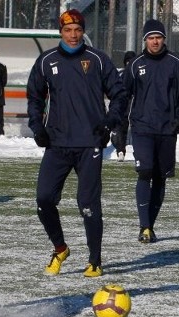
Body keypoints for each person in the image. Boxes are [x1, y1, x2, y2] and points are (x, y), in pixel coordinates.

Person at [27, 9, 127, 277]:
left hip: (89, 143)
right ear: (60, 31)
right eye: (68, 30)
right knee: (43, 200)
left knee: (88, 204)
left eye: (78, 30)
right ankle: (60, 248)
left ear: (84, 32)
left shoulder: (98, 60)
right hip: (57, 143)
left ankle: (94, 260)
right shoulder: (46, 61)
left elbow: (119, 94)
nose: (73, 35)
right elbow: (34, 98)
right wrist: (37, 127)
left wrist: (109, 122)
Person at [123, 19, 179, 243]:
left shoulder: (176, 63)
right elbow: (123, 94)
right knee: (145, 171)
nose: (155, 41)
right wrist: (118, 124)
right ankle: (144, 226)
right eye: (151, 37)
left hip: (167, 129)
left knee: (160, 178)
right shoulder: (135, 65)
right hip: (142, 127)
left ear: (164, 39)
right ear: (145, 40)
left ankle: (149, 227)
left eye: (158, 37)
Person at [111, 50, 136, 162]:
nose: (129, 63)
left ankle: (138, 152)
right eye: (127, 61)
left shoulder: (138, 74)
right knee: (121, 127)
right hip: (122, 104)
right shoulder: (120, 74)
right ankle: (120, 151)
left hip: (134, 104)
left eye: (131, 61)